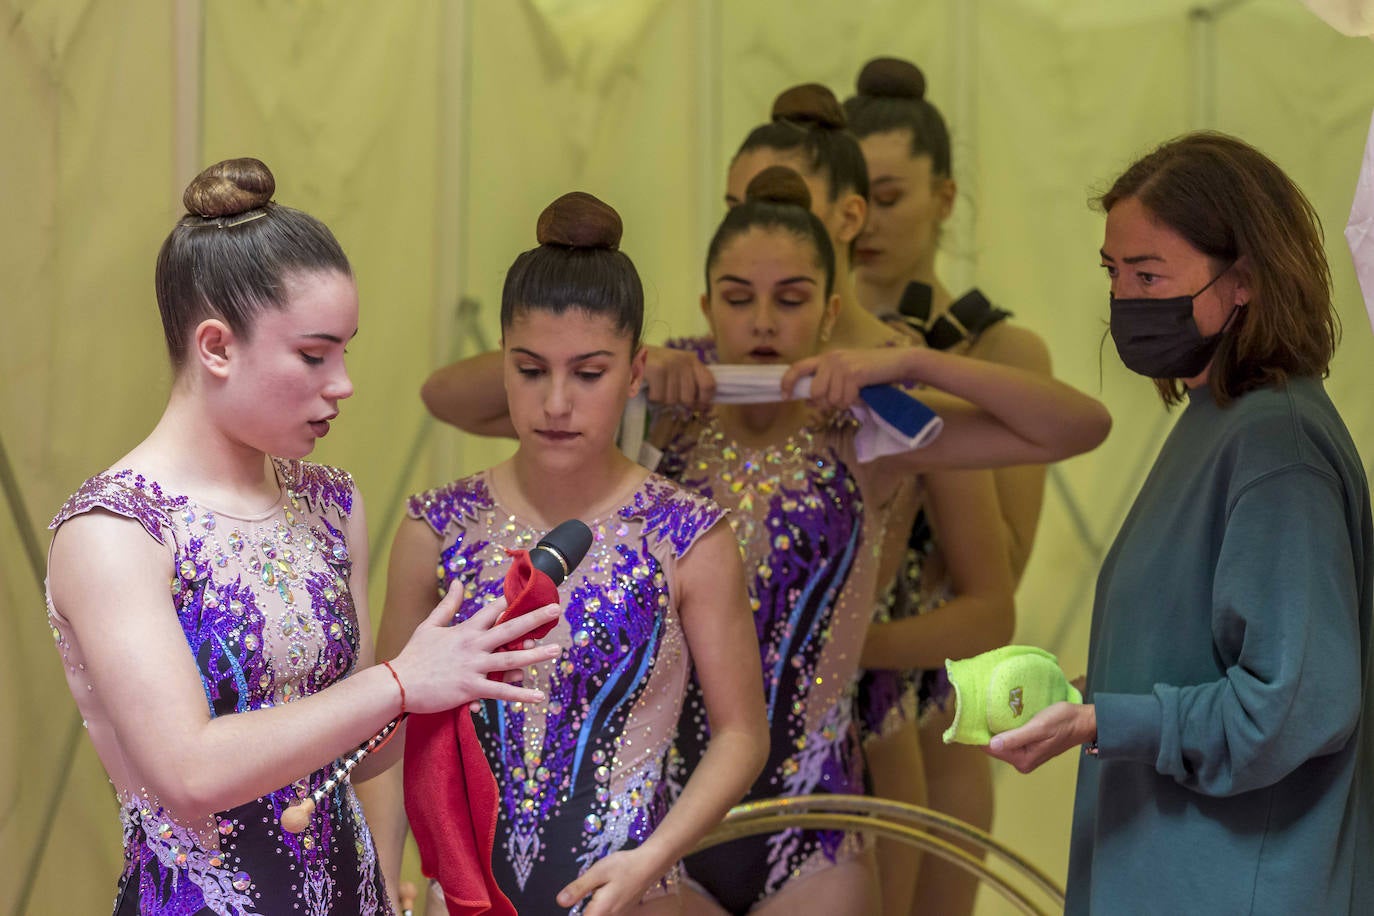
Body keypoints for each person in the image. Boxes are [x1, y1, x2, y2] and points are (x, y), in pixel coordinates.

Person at [43, 158, 562, 915]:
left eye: (346, 350)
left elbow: (353, 747)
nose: (344, 382)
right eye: (315, 355)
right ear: (216, 347)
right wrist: (398, 683)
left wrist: (464, 675)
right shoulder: (114, 532)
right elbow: (190, 772)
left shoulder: (328, 501)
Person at [652, 166, 1108, 916]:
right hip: (666, 820)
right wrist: (628, 361)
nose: (763, 322)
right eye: (738, 299)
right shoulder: (662, 418)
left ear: (831, 311)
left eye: (791, 300)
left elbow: (1080, 427)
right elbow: (459, 394)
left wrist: (910, 361)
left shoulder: (867, 430)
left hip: (818, 831)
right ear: (708, 307)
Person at [986, 132, 1373, 914]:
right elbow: (1208, 655)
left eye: (1150, 274)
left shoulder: (1277, 447)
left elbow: (1295, 705)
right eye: (1115, 273)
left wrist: (1110, 719)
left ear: (1245, 283)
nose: (1126, 299)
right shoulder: (1218, 420)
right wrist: (1090, 696)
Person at [365, 192, 768, 916]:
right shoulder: (437, 528)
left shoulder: (688, 536)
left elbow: (742, 734)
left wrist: (654, 856)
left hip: (632, 898)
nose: (556, 402)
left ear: (636, 371)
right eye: (529, 370)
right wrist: (384, 867)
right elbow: (385, 726)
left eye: (588, 374)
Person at [843, 56, 1052, 916]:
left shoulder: (1002, 355)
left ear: (946, 197)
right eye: (855, 199)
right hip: (809, 706)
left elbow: (1000, 570)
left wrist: (933, 391)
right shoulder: (796, 345)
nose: (867, 222)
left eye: (890, 198)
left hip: (939, 715)